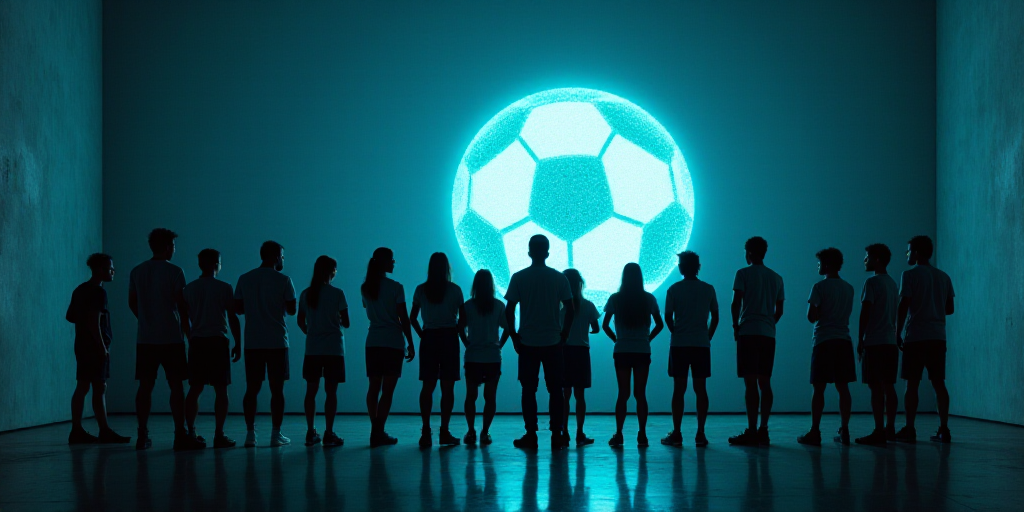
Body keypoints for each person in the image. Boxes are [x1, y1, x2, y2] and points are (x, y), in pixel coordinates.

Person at [129, 228, 200, 451]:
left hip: (146, 338)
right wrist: (189, 335)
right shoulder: (175, 272)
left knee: (145, 386)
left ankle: (142, 434)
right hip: (171, 337)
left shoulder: (138, 271)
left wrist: (147, 320)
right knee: (177, 386)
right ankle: (180, 433)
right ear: (168, 247)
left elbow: (133, 303)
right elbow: (182, 306)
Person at [504, 235, 575, 451]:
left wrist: (514, 336)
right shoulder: (558, 278)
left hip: (528, 342)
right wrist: (564, 335)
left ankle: (531, 434)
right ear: (547, 253)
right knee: (556, 390)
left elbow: (509, 309)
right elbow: (570, 308)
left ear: (529, 253)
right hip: (553, 341)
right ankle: (556, 434)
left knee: (528, 389)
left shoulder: (519, 277)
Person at [235, 241, 297, 448]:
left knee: (251, 389)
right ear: (276, 256)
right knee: (277, 390)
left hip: (253, 341)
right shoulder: (284, 280)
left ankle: (250, 434)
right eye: (282, 256)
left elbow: (238, 308)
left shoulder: (245, 279)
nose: (283, 260)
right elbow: (292, 309)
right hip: (277, 341)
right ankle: (275, 434)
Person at [894, 235, 955, 444]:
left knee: (912, 384)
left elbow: (904, 305)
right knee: (939, 383)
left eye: (909, 251)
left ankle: (910, 428)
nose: (907, 254)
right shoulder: (943, 277)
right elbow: (950, 309)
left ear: (917, 253)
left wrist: (897, 332)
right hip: (938, 336)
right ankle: (944, 428)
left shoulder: (909, 275)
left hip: (916, 336)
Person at [66, 253, 130, 445]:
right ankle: (103, 430)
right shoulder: (98, 292)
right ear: (100, 270)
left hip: (82, 344)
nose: (113, 271)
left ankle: (78, 429)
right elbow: (94, 321)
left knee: (84, 386)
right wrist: (102, 346)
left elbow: (70, 316)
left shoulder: (80, 290)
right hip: (94, 346)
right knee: (98, 387)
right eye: (110, 268)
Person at [728, 236, 785, 447]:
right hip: (768, 333)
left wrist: (736, 326)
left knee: (750, 383)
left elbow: (736, 303)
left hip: (749, 331)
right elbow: (779, 310)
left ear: (749, 253)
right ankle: (763, 429)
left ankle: (751, 429)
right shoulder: (776, 277)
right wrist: (769, 322)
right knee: (765, 382)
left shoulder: (742, 274)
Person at [183, 249, 242, 449]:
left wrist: (190, 336)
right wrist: (238, 343)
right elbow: (232, 317)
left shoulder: (190, 289)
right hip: (218, 341)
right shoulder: (224, 288)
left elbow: (184, 318)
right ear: (217, 263)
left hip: (198, 341)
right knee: (221, 389)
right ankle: (219, 434)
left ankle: (191, 432)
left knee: (195, 388)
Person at [797, 248, 856, 446]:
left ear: (827, 265)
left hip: (823, 340)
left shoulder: (819, 287)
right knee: (843, 387)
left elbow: (811, 316)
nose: (818, 266)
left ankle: (815, 431)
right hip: (843, 340)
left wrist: (821, 310)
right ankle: (845, 429)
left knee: (819, 388)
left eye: (820, 263)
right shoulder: (849, 288)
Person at [602, 263, 664, 447]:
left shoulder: (615, 299)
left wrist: (617, 338)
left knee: (623, 393)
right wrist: (647, 338)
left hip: (622, 349)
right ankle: (642, 434)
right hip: (642, 350)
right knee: (640, 393)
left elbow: (605, 325)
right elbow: (660, 324)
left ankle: (619, 433)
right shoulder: (648, 299)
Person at [661, 251, 718, 447]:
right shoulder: (708, 289)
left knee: (679, 389)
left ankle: (677, 432)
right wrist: (707, 335)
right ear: (697, 267)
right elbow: (716, 317)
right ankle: (700, 433)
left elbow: (668, 316)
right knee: (701, 389)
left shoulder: (674, 289)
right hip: (701, 344)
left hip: (680, 344)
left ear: (681, 267)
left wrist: (675, 332)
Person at [410, 252, 466, 447]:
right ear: (447, 268)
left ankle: (426, 431)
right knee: (448, 387)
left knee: (428, 386)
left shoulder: (421, 290)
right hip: (449, 338)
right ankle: (444, 430)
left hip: (430, 338)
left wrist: (422, 335)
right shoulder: (455, 290)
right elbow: (463, 319)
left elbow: (412, 318)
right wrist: (461, 335)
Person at [362, 247, 415, 447]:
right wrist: (410, 342)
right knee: (388, 390)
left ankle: (375, 429)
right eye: (392, 260)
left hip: (373, 341)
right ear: (384, 262)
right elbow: (403, 318)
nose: (394, 263)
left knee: (373, 387)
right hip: (392, 342)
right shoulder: (396, 287)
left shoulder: (365, 287)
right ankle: (378, 431)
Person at [298, 255, 349, 448]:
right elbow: (347, 322)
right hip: (334, 348)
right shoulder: (337, 294)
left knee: (311, 391)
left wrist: (311, 332)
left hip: (313, 348)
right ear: (332, 271)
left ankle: (310, 431)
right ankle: (329, 432)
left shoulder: (306, 294)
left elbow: (300, 320)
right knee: (331, 392)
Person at [854, 244, 900, 446]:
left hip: (874, 341)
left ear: (877, 260)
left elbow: (865, 312)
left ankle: (878, 430)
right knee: (889, 386)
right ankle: (890, 428)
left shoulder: (871, 282)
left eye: (867, 257)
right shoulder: (892, 284)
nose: (865, 260)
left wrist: (860, 339)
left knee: (875, 388)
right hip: (889, 341)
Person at [459, 269, 510, 445]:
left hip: (473, 356)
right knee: (490, 397)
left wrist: (467, 343)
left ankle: (471, 430)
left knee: (470, 396)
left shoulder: (468, 305)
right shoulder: (498, 305)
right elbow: (508, 329)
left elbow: (460, 327)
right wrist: (499, 345)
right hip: (492, 357)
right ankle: (484, 432)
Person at [560, 269, 600, 447]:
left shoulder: (559, 306)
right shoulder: (589, 305)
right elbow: (596, 327)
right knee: (580, 396)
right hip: (581, 352)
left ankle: (564, 431)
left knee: (564, 395)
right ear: (580, 284)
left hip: (563, 351)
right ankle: (579, 432)